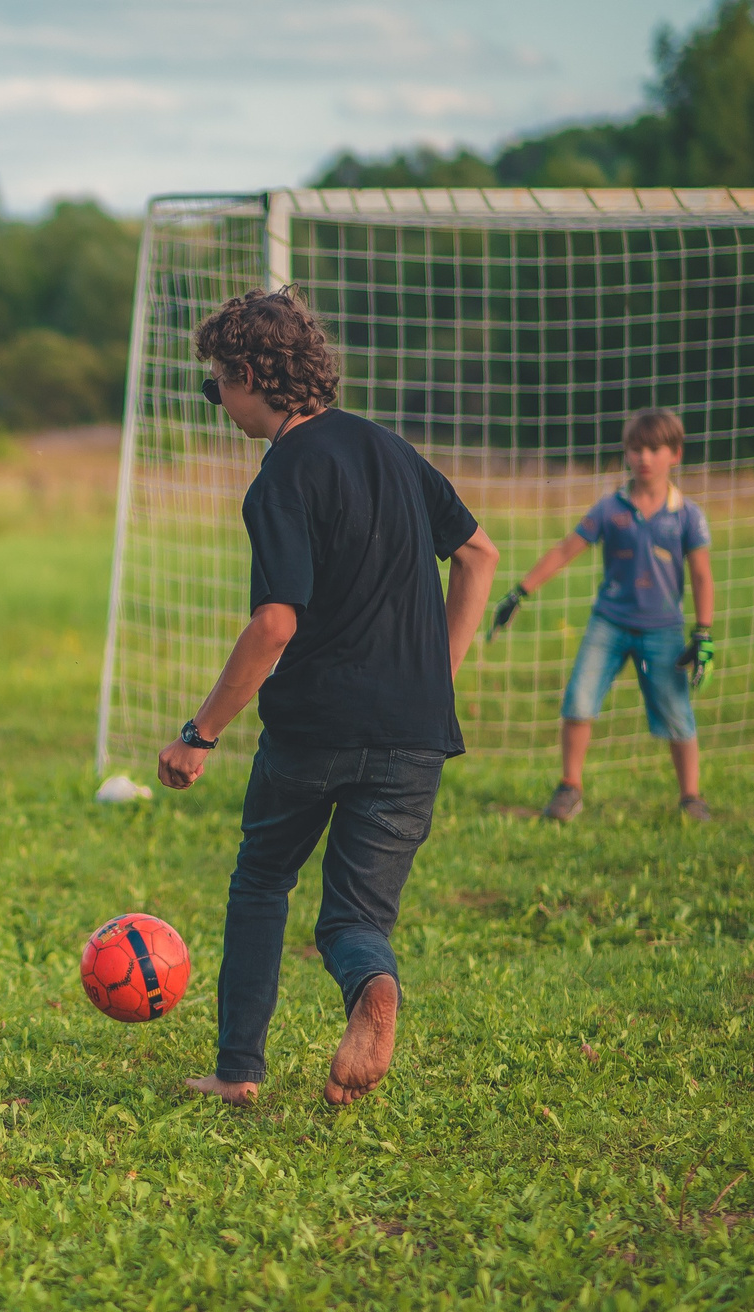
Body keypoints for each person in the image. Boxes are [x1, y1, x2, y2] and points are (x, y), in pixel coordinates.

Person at [157, 286, 500, 1108]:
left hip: (316, 728)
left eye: (218, 386)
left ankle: (237, 1071)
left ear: (247, 374)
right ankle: (371, 988)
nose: (219, 403)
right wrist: (437, 672)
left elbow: (276, 623)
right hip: (416, 733)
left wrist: (199, 733)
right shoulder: (390, 449)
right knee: (352, 922)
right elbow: (480, 554)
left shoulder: (282, 477)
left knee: (263, 879)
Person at [488, 407, 716, 823]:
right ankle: (570, 788)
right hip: (608, 623)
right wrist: (520, 592)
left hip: (662, 630)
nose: (644, 457)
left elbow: (701, 575)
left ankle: (691, 797)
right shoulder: (610, 509)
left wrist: (704, 632)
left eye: (654, 448)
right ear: (626, 453)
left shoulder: (688, 516)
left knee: (678, 714)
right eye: (636, 448)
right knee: (578, 700)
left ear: (675, 454)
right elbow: (564, 549)